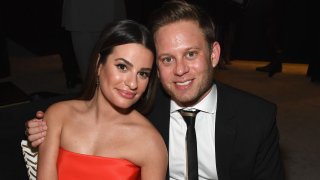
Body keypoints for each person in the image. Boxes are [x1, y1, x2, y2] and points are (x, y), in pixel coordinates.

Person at [26, 1, 284, 179]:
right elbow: (94, 109)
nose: (180, 70)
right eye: (167, 59)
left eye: (191, 54)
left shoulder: (256, 119)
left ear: (214, 54)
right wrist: (41, 127)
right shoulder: (139, 107)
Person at [36, 20, 167, 179]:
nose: (133, 83)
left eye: (143, 74)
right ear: (99, 65)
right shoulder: (58, 115)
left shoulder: (150, 142)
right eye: (122, 67)